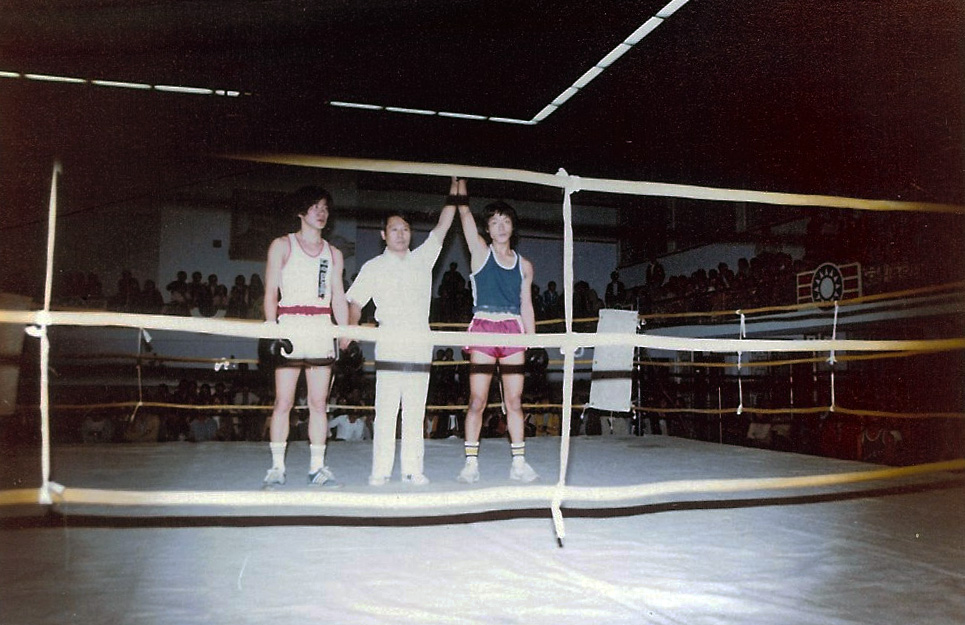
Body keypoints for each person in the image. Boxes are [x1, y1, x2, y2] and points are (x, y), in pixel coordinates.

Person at [346, 178, 457, 486]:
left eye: (405, 229)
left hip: (420, 341)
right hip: (390, 340)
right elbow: (355, 302)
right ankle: (380, 470)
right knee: (385, 410)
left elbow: (444, 226)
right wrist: (349, 330)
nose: (400, 234)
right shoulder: (373, 267)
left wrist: (454, 193)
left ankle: (412, 469)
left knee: (415, 410)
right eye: (394, 229)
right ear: (384, 235)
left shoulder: (423, 258)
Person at [262, 186, 350, 488]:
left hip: (321, 326)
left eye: (325, 207)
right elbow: (271, 291)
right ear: (301, 211)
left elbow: (338, 297)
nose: (321, 212)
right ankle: (276, 467)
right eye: (315, 207)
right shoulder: (282, 245)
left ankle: (317, 467)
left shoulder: (333, 253)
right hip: (290, 323)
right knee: (283, 401)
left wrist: (346, 332)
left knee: (318, 402)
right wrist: (271, 327)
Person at [455, 186, 539, 483]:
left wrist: (532, 339)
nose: (501, 227)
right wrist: (460, 183)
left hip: (513, 329)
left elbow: (526, 304)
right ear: (487, 229)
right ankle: (471, 463)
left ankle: (519, 463)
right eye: (494, 222)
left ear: (512, 226)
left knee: (514, 401)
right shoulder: (480, 252)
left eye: (506, 221)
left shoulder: (525, 266)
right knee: (477, 399)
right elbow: (464, 214)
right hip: (484, 327)